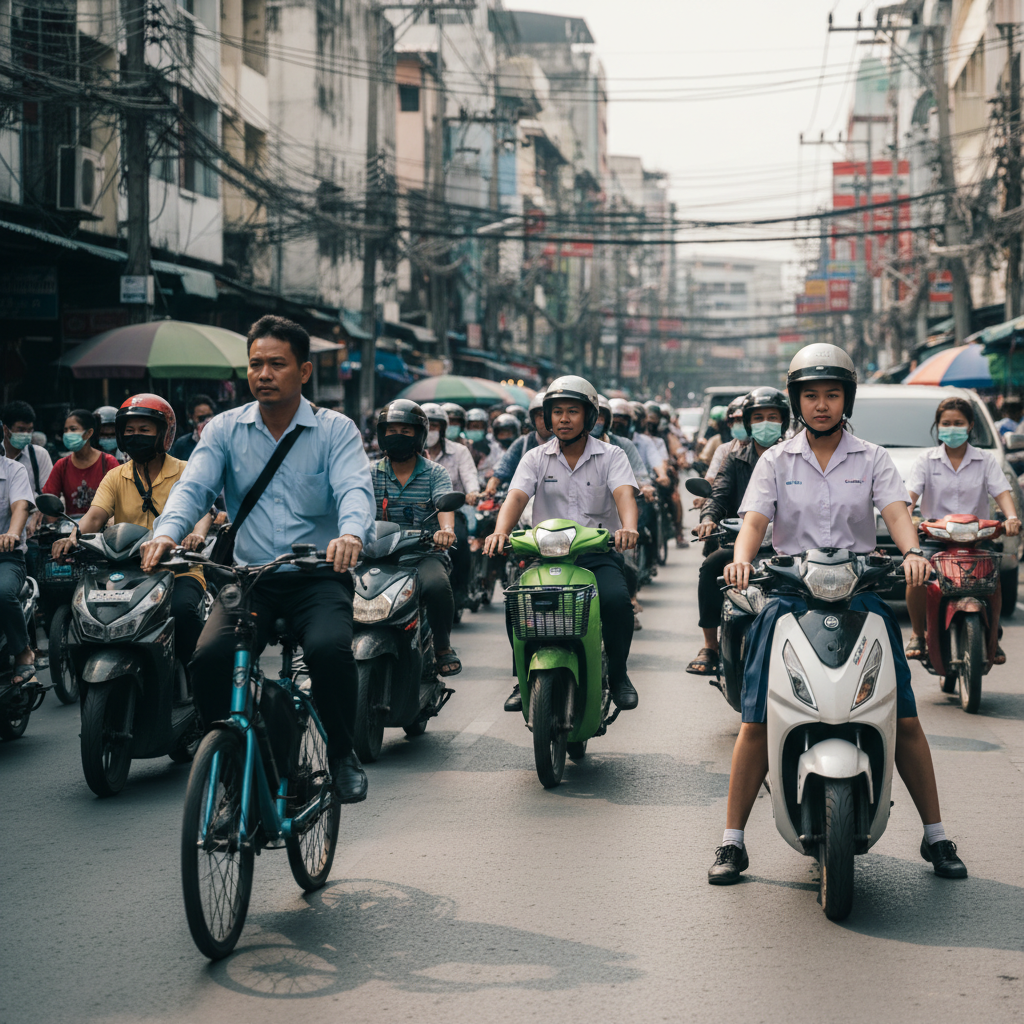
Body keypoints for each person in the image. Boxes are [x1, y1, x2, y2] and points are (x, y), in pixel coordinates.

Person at [707, 343, 967, 884]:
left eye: (831, 394)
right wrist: (740, 561)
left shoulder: (871, 457)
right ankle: (732, 840)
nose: (821, 405)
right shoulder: (777, 460)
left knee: (905, 716)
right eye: (810, 395)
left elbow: (896, 513)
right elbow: (755, 520)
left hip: (860, 595)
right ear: (795, 401)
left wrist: (914, 552)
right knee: (755, 717)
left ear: (845, 399)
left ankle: (937, 835)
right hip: (787, 598)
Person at [142, 315, 376, 804]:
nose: (264, 374)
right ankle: (225, 754)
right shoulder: (225, 429)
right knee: (208, 658)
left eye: (276, 364)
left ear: (304, 371)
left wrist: (351, 533)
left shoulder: (336, 430)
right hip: (249, 579)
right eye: (255, 364)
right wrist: (166, 533)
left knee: (331, 651)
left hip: (317, 577)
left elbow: (355, 488)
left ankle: (341, 754)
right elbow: (194, 489)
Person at [482, 376, 640, 712]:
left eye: (572, 411)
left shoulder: (612, 456)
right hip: (548, 557)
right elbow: (516, 496)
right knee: (518, 606)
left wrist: (629, 527)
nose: (563, 419)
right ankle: (520, 676)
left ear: (589, 417)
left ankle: (619, 674)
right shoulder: (535, 458)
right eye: (556, 412)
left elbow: (624, 494)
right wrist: (499, 531)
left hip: (597, 554)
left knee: (616, 602)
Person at [51, 394, 211, 667]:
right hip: (127, 570)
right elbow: (94, 516)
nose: (136, 436)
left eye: (145, 430)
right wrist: (71, 538)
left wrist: (196, 535)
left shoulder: (186, 470)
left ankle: (198, 675)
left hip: (179, 569)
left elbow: (202, 513)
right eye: (130, 431)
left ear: (164, 434)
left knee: (182, 612)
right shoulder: (115, 476)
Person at [904, 395, 1021, 663]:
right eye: (946, 423)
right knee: (916, 573)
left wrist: (1011, 517)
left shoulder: (986, 460)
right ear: (938, 426)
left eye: (958, 423)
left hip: (977, 538)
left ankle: (993, 634)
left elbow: (1002, 492)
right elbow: (909, 497)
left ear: (969, 426)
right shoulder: (926, 460)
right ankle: (918, 634)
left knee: (993, 578)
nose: (952, 428)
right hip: (936, 536)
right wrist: (905, 516)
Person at [686, 387, 789, 676]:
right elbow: (718, 495)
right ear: (747, 423)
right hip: (743, 542)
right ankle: (710, 646)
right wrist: (708, 518)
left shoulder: (794, 457)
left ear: (784, 421)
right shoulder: (734, 458)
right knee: (710, 568)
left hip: (787, 547)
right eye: (758, 417)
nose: (765, 423)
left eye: (772, 417)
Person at [371, 400, 462, 677]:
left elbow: (444, 507)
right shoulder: (369, 473)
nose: (397, 435)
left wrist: (445, 532)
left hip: (424, 554)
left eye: (406, 431)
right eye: (392, 430)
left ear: (419, 435)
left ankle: (443, 646)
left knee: (437, 585)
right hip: (378, 555)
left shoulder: (435, 473)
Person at [422, 402, 478, 607]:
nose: (431, 431)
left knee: (460, 541)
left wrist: (472, 493)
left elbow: (470, 476)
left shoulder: (460, 451)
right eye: (427, 426)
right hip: (419, 512)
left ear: (443, 429)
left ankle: (460, 589)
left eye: (435, 426)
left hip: (454, 510)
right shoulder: (410, 451)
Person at [2, 401, 54, 581]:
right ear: (5, 429)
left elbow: (48, 493)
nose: (26, 435)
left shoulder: (38, 455)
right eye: (20, 429)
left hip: (30, 535)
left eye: (29, 430)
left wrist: (37, 512)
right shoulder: (3, 461)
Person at [0, 454, 36, 687]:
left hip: (7, 557)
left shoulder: (13, 470)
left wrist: (13, 532)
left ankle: (23, 651)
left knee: (2, 592)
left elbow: (21, 506)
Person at [41, 410, 120, 516]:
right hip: (72, 527)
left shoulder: (108, 462)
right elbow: (49, 501)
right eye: (66, 430)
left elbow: (121, 499)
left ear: (88, 433)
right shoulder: (62, 465)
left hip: (103, 525)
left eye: (73, 429)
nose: (68, 434)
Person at [484, 391, 550, 495]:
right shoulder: (524, 442)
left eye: (549, 415)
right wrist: (493, 483)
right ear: (533, 419)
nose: (545, 420)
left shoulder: (564, 443)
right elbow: (505, 465)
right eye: (540, 416)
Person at [704, 395, 749, 484]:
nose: (741, 424)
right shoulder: (724, 449)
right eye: (737, 420)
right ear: (729, 423)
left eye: (744, 420)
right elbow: (711, 479)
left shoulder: (765, 449)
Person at [169, 394, 217, 461]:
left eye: (209, 416)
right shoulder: (182, 445)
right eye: (201, 418)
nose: (206, 421)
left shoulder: (220, 441)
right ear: (191, 417)